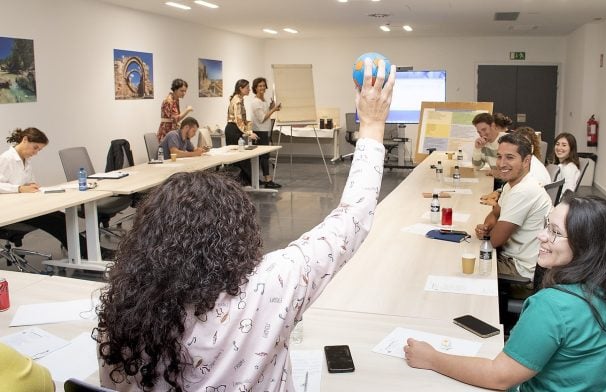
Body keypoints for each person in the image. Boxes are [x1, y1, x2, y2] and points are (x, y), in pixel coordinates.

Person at [95, 58, 396, 391]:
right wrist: (372, 122)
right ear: (236, 231)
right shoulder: (271, 285)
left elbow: (112, 385)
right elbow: (353, 217)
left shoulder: (126, 309)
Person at [405, 195, 606, 391]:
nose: (541, 235)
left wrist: (432, 358)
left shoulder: (553, 305)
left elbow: (499, 377)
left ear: (587, 246)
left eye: (555, 232)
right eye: (547, 225)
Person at [0, 127, 112, 259]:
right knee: (55, 223)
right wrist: (19, 188)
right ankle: (89, 253)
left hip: (25, 205)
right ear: (25, 140)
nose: (36, 153)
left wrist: (30, 186)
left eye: (39, 150)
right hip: (11, 211)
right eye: (35, 148)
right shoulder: (6, 159)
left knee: (62, 217)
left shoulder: (26, 160)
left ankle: (89, 251)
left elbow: (26, 183)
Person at [475, 133, 552, 281]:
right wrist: (486, 227)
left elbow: (494, 241)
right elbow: (494, 214)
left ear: (526, 161)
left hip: (521, 271)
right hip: (511, 259)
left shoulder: (524, 190)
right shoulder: (511, 185)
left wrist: (488, 233)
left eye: (509, 157)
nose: (501, 163)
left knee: (463, 265)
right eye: (499, 156)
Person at [250, 77, 282, 189]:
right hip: (259, 131)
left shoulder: (263, 101)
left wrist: (271, 107)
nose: (262, 88)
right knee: (264, 156)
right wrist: (273, 110)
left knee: (264, 156)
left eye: (263, 85)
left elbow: (265, 114)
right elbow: (262, 118)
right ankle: (267, 180)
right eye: (259, 86)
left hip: (264, 130)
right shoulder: (255, 102)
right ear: (255, 88)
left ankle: (263, 179)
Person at [225, 79, 258, 184]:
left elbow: (242, 120)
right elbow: (238, 120)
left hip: (236, 129)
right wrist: (249, 133)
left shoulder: (240, 99)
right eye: (247, 87)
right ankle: (244, 182)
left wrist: (249, 127)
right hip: (233, 129)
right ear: (240, 88)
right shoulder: (237, 100)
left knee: (242, 157)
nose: (249, 89)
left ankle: (247, 181)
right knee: (239, 158)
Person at [471, 113, 503, 191]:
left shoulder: (506, 140)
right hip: (497, 182)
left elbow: (518, 170)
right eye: (479, 132)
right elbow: (477, 167)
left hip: (508, 184)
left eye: (484, 129)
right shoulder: (484, 143)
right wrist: (477, 149)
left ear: (492, 125)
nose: (482, 134)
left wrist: (499, 173)